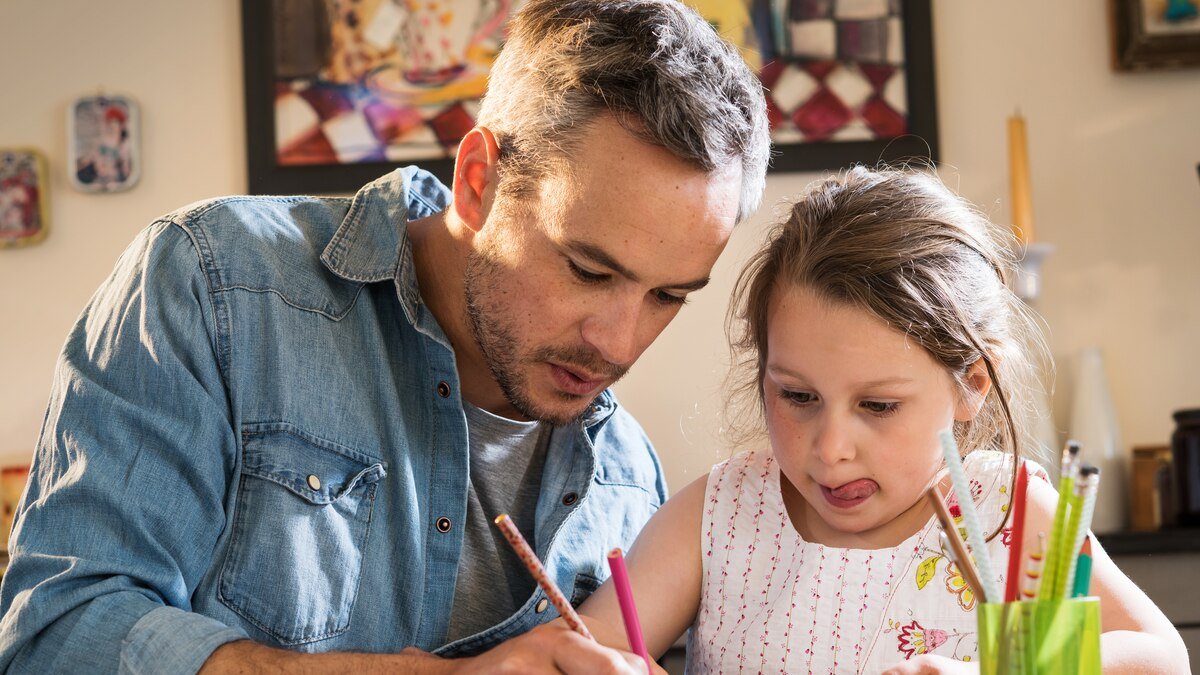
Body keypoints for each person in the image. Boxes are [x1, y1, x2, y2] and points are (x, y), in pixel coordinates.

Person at [0, 1, 770, 672]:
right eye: (588, 270)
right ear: (479, 181)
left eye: (668, 295)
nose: (618, 341)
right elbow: (58, 635)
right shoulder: (216, 281)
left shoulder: (631, 482)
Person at [574, 167, 1191, 673]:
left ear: (973, 384)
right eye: (798, 396)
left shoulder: (1008, 508)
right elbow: (580, 652)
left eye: (878, 406)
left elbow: (1161, 658)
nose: (832, 448)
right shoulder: (722, 513)